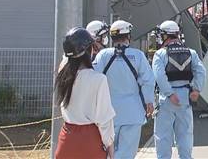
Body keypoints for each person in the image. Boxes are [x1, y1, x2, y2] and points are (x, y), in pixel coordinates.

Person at [93, 20, 155, 159]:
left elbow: (94, 78)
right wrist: (149, 102)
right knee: (127, 152)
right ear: (128, 36)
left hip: (108, 111)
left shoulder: (103, 55)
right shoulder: (138, 55)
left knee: (107, 150)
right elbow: (148, 81)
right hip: (133, 111)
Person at [55, 27, 115, 159]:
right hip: (90, 141)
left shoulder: (62, 76)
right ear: (88, 50)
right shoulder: (99, 79)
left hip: (66, 140)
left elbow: (67, 58)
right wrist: (110, 148)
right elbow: (104, 120)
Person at [152, 20, 206, 159]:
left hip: (166, 99)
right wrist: (196, 90)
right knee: (185, 134)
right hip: (185, 97)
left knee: (163, 136)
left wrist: (169, 93)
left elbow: (159, 76)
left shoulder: (160, 54)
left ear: (165, 36)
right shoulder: (191, 53)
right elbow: (201, 72)